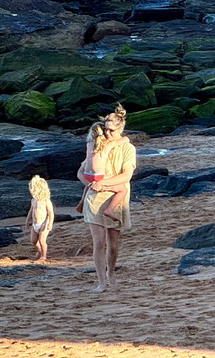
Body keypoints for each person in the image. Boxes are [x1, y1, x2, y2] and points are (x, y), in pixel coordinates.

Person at [78, 105, 136, 292]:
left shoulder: (127, 148)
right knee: (99, 241)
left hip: (116, 198)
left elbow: (126, 176)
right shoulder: (97, 143)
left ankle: (111, 272)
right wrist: (89, 183)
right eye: (106, 129)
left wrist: (105, 184)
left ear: (120, 128)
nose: (108, 133)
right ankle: (101, 281)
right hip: (95, 198)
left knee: (113, 245)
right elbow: (81, 172)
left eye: (112, 130)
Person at [27, 175, 55, 262]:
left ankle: (44, 255)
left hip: (44, 223)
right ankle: (39, 251)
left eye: (33, 189)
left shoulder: (46, 200)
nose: (31, 191)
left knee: (42, 240)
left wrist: (50, 223)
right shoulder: (33, 200)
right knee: (34, 241)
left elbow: (51, 213)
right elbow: (31, 210)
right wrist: (28, 220)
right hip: (35, 224)